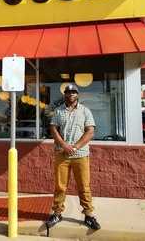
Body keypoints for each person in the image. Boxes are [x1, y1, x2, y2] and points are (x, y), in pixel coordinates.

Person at [45, 83, 101, 230]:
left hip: (80, 154)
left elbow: (90, 132)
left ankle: (89, 215)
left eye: (73, 92)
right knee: (60, 186)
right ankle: (57, 213)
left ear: (77, 94)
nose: (71, 95)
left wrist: (75, 146)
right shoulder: (58, 111)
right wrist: (64, 145)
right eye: (68, 92)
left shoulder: (85, 111)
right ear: (65, 95)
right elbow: (53, 129)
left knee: (84, 185)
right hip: (62, 154)